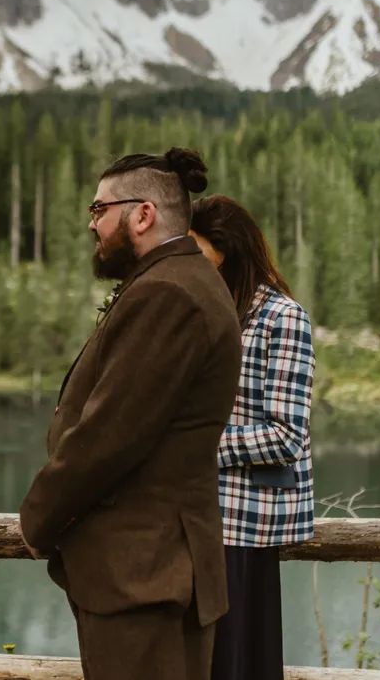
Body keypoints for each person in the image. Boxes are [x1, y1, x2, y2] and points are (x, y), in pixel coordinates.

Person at [19, 148, 243, 680]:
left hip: (146, 574)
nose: (91, 224)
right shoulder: (177, 280)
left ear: (142, 214)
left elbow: (109, 434)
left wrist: (38, 518)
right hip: (150, 572)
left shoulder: (170, 294)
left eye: (99, 210)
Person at [189, 195, 316, 680]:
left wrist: (192, 445)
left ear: (229, 251)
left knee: (235, 663)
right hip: (199, 521)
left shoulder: (282, 319)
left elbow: (286, 436)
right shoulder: (210, 312)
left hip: (244, 528)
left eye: (198, 253)